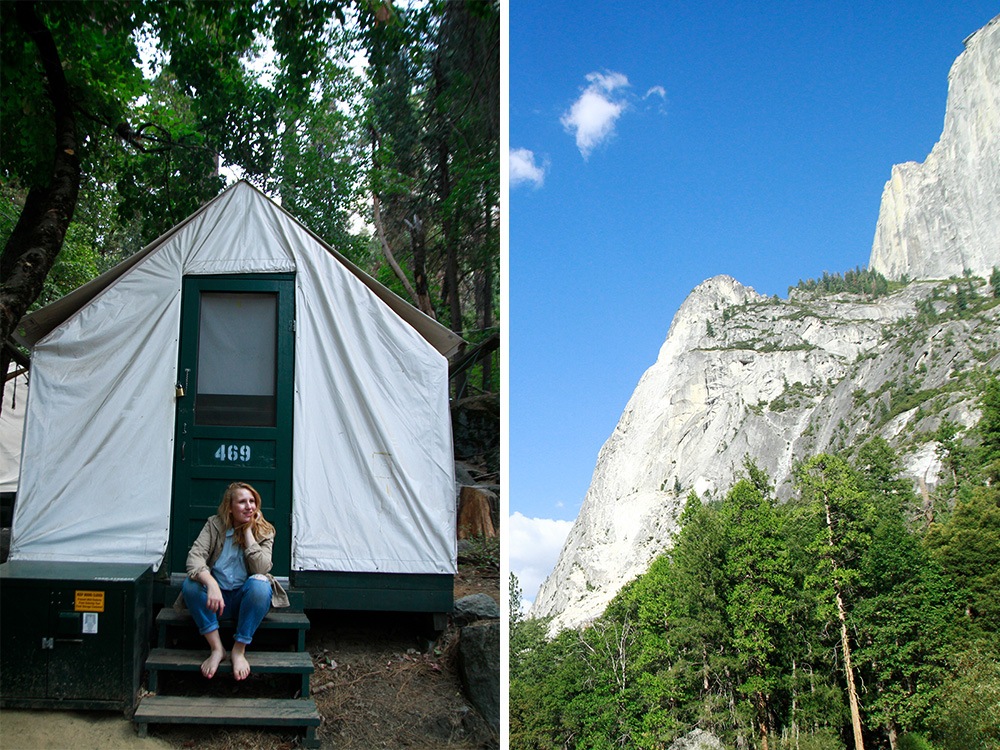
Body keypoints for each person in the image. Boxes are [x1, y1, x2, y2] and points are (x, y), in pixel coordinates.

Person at [175, 481, 289, 680]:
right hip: (216, 602)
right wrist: (211, 584)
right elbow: (194, 558)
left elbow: (262, 568)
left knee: (261, 584)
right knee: (190, 585)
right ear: (229, 507)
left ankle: (238, 650)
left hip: (246, 602)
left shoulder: (265, 531)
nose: (249, 506)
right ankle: (217, 649)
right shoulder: (214, 525)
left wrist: (247, 531)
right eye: (242, 502)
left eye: (252, 501)